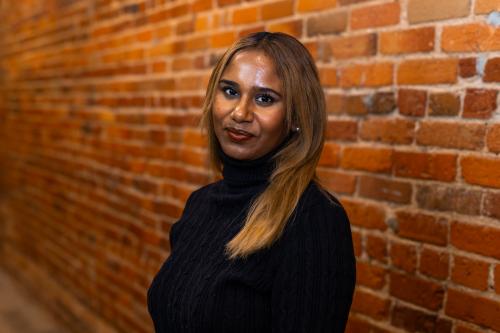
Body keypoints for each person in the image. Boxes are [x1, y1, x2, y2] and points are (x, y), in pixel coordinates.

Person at [147, 31, 356, 333]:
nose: (240, 113)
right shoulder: (201, 203)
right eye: (230, 91)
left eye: (264, 99)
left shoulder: (313, 218)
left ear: (296, 116)